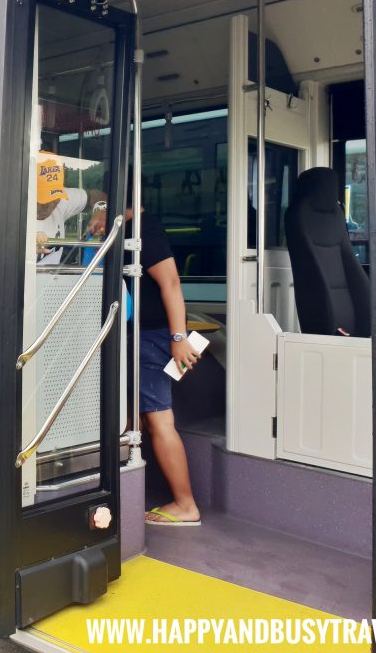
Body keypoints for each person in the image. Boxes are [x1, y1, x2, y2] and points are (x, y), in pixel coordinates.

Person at [127, 184, 202, 526]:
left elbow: (171, 283)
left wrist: (178, 338)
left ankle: (186, 505)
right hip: (149, 337)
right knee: (141, 418)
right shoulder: (132, 229)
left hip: (154, 338)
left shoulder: (144, 230)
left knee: (159, 420)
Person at [34, 153, 106, 264]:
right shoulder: (10, 212)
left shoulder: (63, 200)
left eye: (55, 198)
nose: (50, 203)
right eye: (43, 198)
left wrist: (99, 213)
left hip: (53, 280)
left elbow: (98, 196)